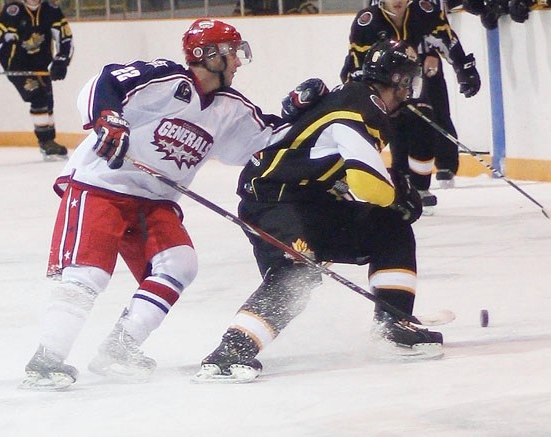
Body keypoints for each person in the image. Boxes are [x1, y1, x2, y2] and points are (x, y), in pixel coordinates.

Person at [20, 18, 292, 390]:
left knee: (180, 263)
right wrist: (107, 118)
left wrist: (309, 109)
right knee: (89, 273)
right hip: (100, 185)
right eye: (232, 53)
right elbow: (107, 81)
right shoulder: (166, 78)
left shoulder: (230, 107)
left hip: (155, 201)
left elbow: (268, 137)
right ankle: (47, 358)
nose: (238, 62)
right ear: (209, 56)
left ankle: (119, 348)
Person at [193, 37, 443, 384]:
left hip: (307, 199)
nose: (409, 90)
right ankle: (229, 352)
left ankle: (393, 325)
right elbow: (368, 182)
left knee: (389, 227)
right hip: (273, 201)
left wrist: (393, 197)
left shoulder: (358, 98)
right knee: (297, 273)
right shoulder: (360, 108)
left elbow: (332, 166)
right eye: (408, 81)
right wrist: (397, 196)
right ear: (399, 81)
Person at [340, 0, 480, 213]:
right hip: (379, 89)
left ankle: (420, 186)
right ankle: (342, 176)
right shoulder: (367, 22)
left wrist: (464, 69)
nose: (398, 1)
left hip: (412, 83)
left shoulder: (425, 12)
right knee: (377, 132)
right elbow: (355, 66)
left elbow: (447, 40)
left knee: (423, 121)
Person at [0, 0, 73, 158]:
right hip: (16, 67)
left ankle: (49, 141)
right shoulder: (12, 11)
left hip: (41, 66)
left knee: (48, 100)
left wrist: (61, 61)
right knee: (38, 97)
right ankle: (46, 141)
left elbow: (65, 38)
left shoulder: (51, 10)